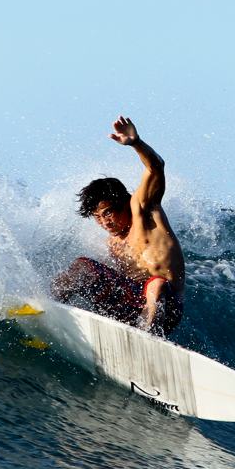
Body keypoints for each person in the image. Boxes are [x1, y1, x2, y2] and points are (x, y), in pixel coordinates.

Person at [51, 116, 185, 337]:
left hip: (167, 309)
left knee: (157, 284)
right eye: (98, 218)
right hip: (132, 307)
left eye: (108, 213)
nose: (105, 222)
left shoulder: (144, 211)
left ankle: (147, 339)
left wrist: (136, 143)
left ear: (124, 202)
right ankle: (48, 311)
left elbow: (156, 167)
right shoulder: (114, 243)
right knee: (81, 268)